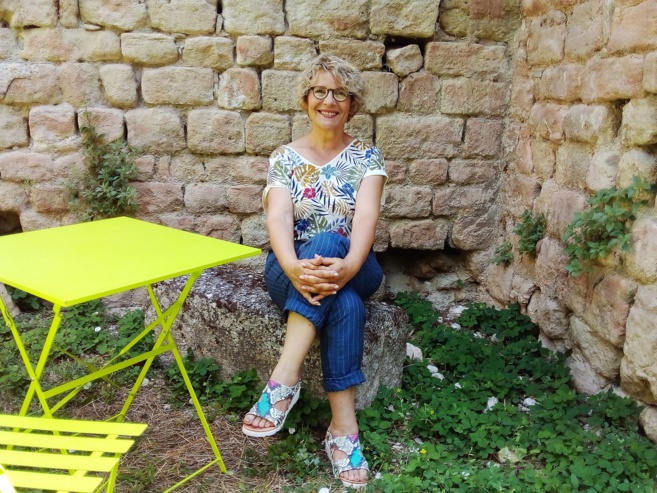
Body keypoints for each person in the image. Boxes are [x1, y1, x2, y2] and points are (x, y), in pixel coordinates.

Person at [241, 54, 387, 489]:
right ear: (306, 100)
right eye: (320, 91)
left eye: (340, 93)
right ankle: (343, 431)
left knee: (331, 244)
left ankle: (282, 382)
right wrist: (291, 265)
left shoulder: (367, 157)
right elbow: (279, 217)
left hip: (356, 265)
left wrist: (349, 265)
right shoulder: (284, 158)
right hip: (290, 266)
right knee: (345, 305)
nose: (329, 101)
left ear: (352, 104)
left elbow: (366, 217)